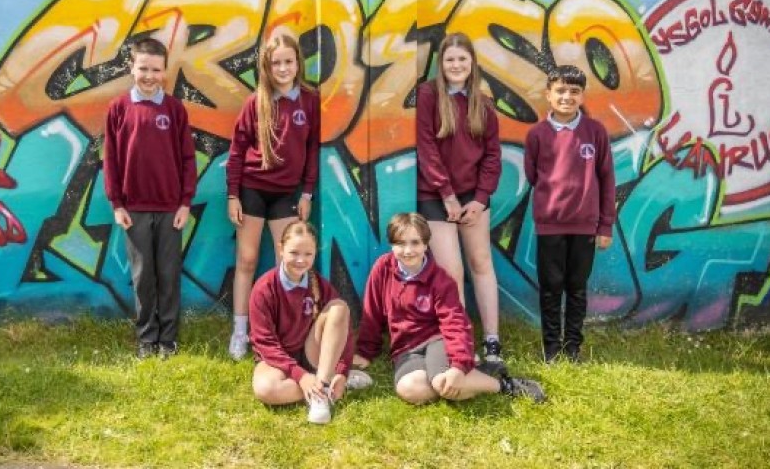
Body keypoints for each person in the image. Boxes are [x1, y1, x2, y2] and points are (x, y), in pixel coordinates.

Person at [354, 213, 545, 405]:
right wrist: (365, 351)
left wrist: (459, 365)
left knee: (443, 381)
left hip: (438, 340)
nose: (408, 250)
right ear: (392, 245)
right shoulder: (383, 268)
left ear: (426, 244)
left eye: (415, 243)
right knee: (410, 389)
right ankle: (471, 375)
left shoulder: (440, 280)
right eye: (400, 243)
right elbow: (372, 312)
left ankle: (505, 385)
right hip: (406, 348)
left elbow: (454, 323)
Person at [225, 34, 320, 360]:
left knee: (288, 263)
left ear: (298, 63)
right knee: (247, 259)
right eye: (276, 62)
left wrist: (307, 192)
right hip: (252, 189)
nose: (282, 68)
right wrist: (233, 195)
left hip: (287, 193)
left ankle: (283, 332)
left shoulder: (309, 101)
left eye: (288, 62)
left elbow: (312, 149)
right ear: (266, 66)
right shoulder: (256, 102)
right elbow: (237, 151)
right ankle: (241, 331)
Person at [103, 37, 197, 359]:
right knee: (143, 276)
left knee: (168, 275)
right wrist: (117, 204)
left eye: (156, 70)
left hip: (171, 208)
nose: (149, 76)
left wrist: (185, 202)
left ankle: (168, 339)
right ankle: (147, 338)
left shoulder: (174, 109)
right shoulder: (118, 109)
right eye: (143, 68)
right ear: (131, 67)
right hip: (134, 209)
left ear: (165, 71)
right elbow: (111, 160)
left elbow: (187, 159)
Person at [416, 32, 504, 363]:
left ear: (472, 63)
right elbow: (426, 147)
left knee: (481, 262)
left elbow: (492, 156)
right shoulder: (428, 96)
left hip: (473, 196)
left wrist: (480, 199)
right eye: (450, 59)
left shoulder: (483, 103)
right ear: (441, 64)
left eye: (462, 59)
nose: (456, 65)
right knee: (452, 269)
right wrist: (447, 195)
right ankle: (461, 341)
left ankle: (492, 341)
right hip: (435, 194)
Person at [523, 65, 616, 363]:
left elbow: (607, 179)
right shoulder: (537, 135)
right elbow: (533, 175)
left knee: (577, 288)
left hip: (585, 227)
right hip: (550, 226)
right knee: (551, 289)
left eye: (574, 91)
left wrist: (605, 226)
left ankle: (572, 348)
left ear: (582, 96)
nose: (567, 97)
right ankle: (552, 349)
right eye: (560, 91)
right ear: (548, 95)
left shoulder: (595, 132)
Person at [249, 221, 371, 424]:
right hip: (278, 360)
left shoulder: (319, 284)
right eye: (294, 252)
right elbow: (265, 343)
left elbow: (344, 330)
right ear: (281, 249)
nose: (301, 260)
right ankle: (325, 385)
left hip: (311, 352)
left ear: (315, 253)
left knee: (339, 307)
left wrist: (343, 369)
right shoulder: (264, 288)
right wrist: (301, 376)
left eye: (308, 254)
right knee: (265, 390)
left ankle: (321, 391)